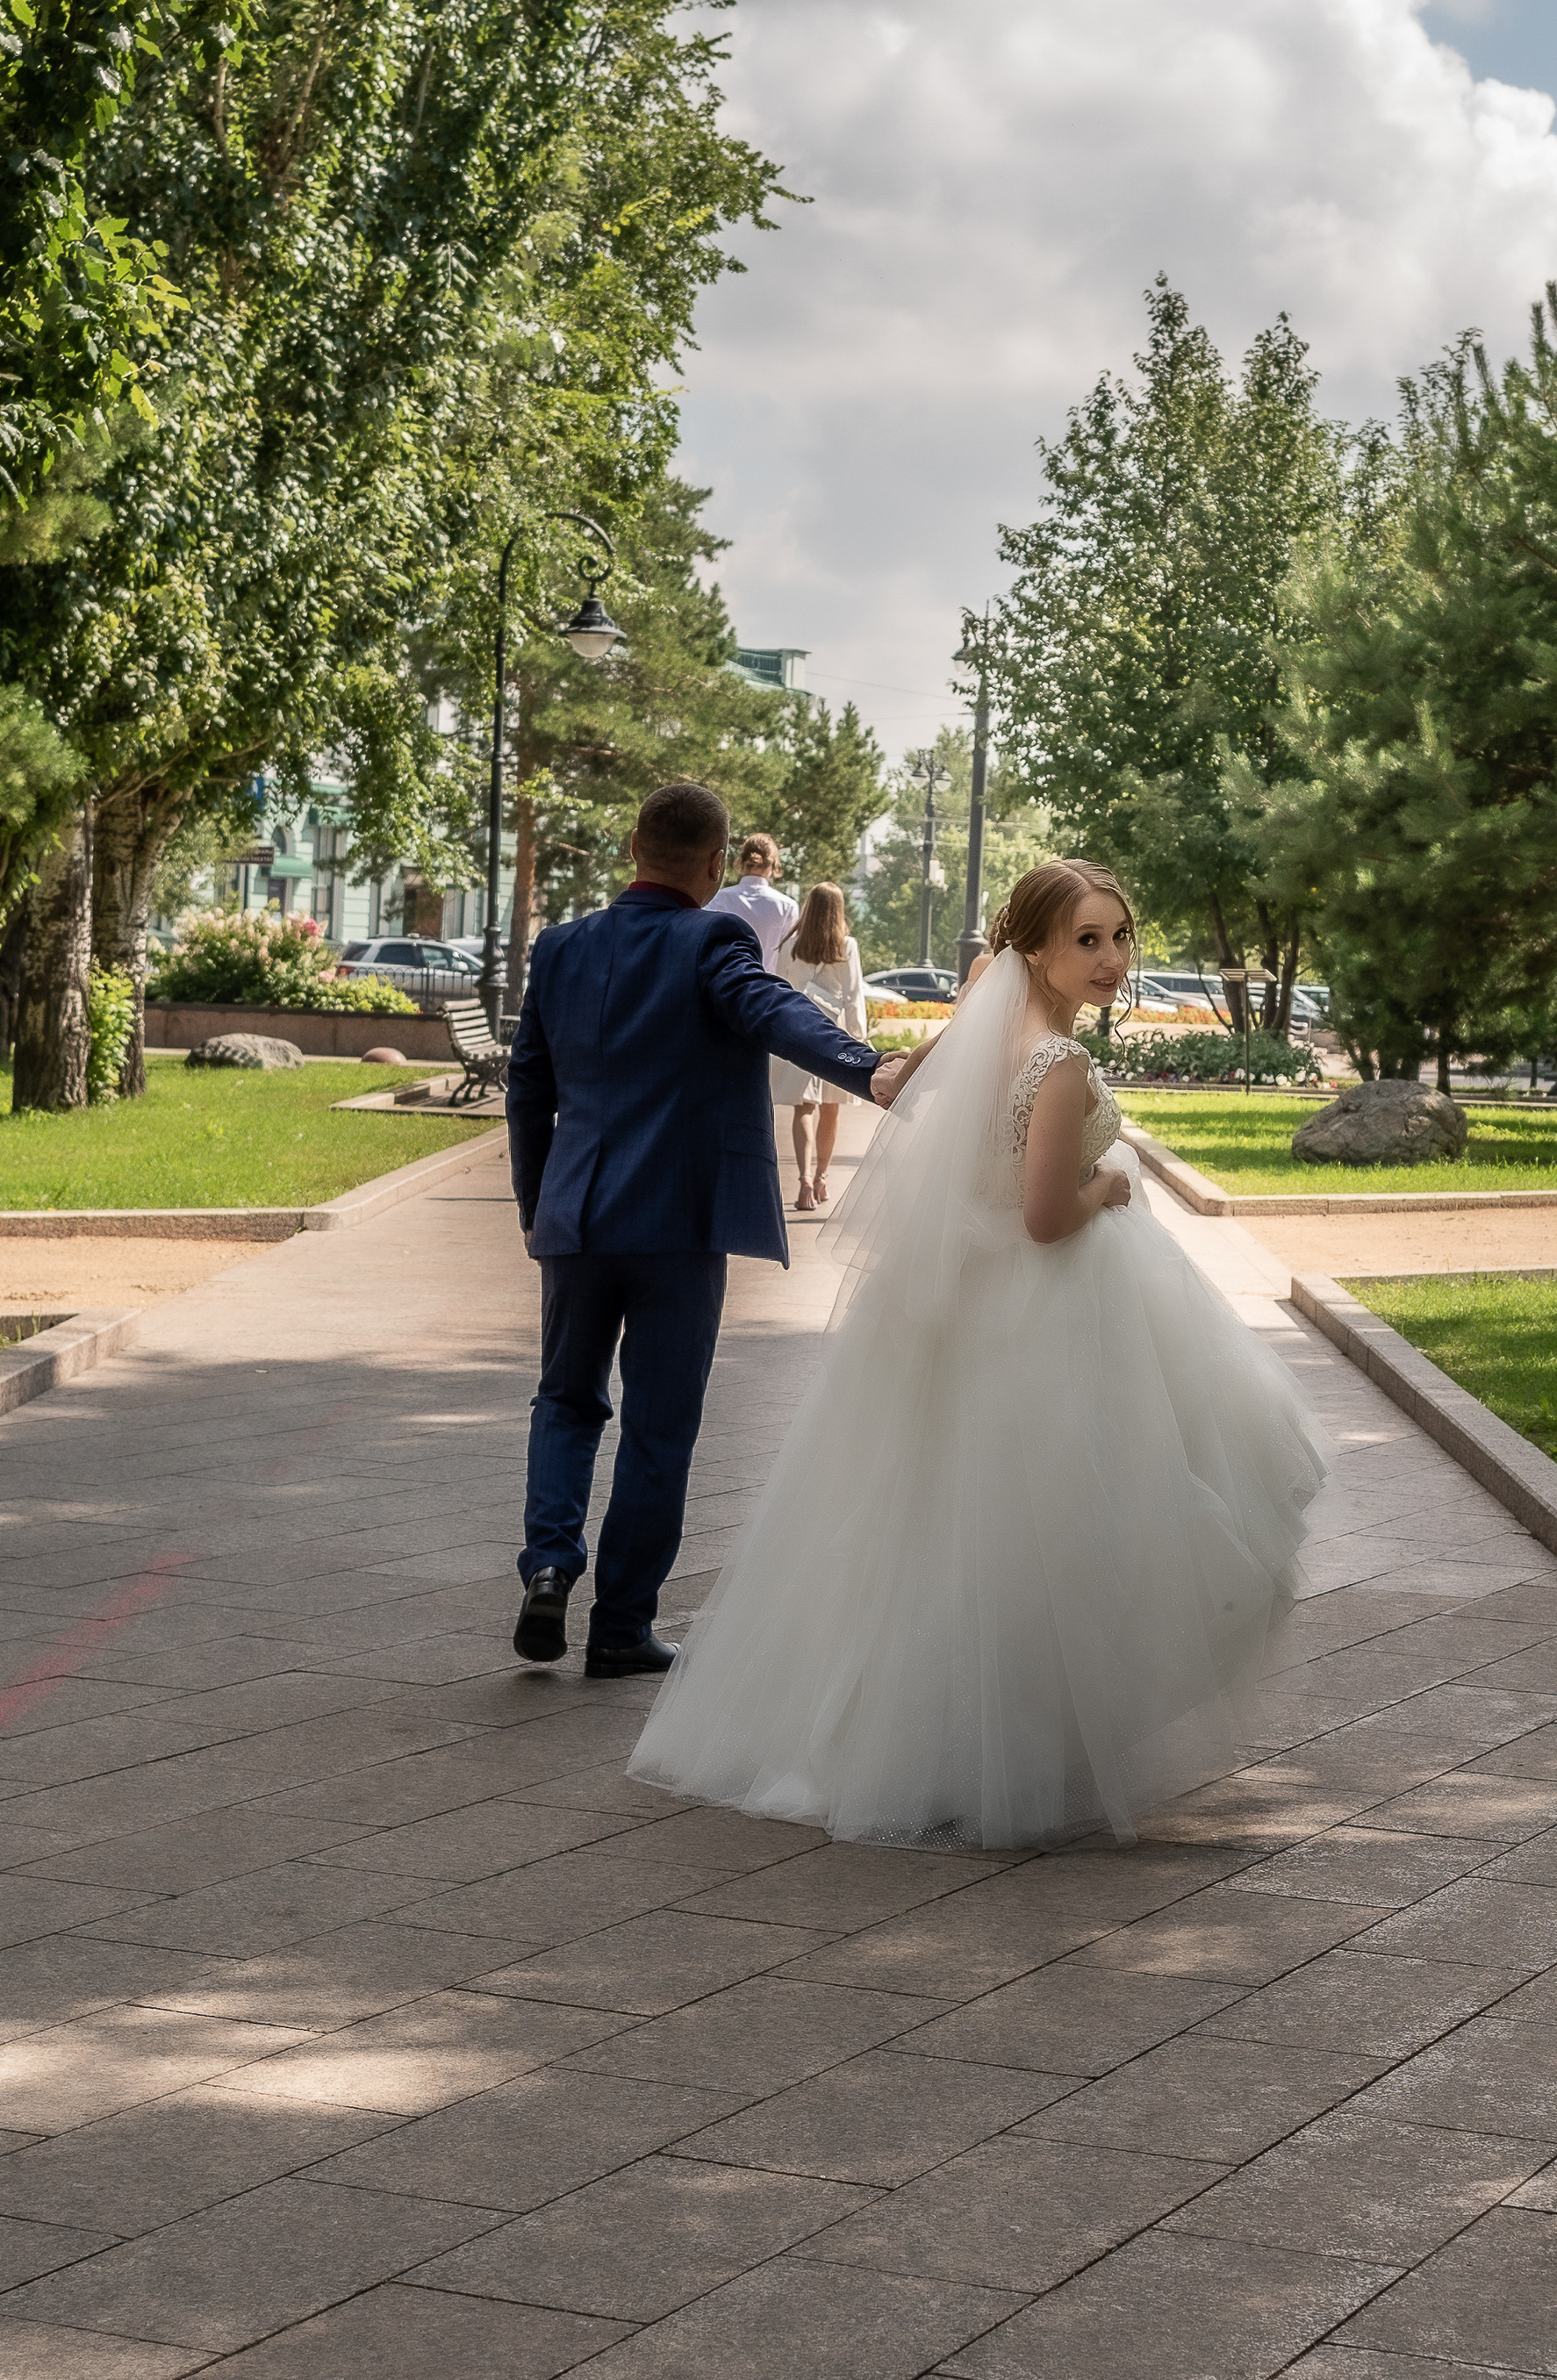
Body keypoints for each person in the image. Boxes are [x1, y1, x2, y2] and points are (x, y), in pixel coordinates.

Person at [628, 857, 1327, 1846]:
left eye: (1120, 936)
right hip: (1047, 1301)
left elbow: (944, 1132)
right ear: (1033, 948)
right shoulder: (1058, 1063)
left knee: (931, 1529)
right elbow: (1045, 1217)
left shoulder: (986, 1033)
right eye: (1086, 939)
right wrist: (1107, 1187)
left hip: (970, 1297)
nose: (1112, 958)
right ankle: (996, 1745)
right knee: (1058, 1526)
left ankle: (923, 1739)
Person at [506, 781, 912, 1679]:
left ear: (632, 846)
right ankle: (620, 1626)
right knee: (659, 1424)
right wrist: (867, 1068)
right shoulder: (713, 939)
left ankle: (549, 1564)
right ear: (717, 862)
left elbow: (527, 1089)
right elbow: (772, 1009)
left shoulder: (561, 948)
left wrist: (540, 1208)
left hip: (577, 1216)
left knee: (565, 1399)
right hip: (678, 1222)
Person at [771, 881, 868, 1212]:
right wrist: (858, 1039)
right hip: (834, 1030)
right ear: (838, 911)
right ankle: (822, 1178)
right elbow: (854, 995)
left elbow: (780, 989)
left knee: (804, 1107)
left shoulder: (791, 944)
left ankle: (803, 1183)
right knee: (831, 1106)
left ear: (809, 907)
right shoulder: (847, 945)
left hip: (800, 1027)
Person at [706, 831, 797, 970]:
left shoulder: (717, 898)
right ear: (773, 865)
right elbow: (788, 959)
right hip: (767, 981)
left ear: (741, 861)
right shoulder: (788, 907)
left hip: (724, 979)